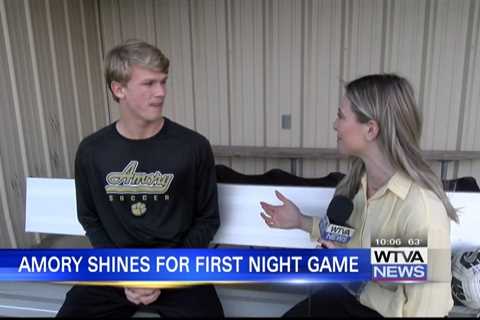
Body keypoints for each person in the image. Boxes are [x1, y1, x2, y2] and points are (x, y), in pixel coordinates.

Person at [260, 74, 457, 317]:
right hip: (351, 298)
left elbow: (424, 313)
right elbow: (351, 242)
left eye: (341, 116)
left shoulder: (421, 210)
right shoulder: (359, 187)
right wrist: (300, 222)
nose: (335, 125)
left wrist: (355, 280)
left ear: (371, 130)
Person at [57, 39, 224, 317]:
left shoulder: (192, 147)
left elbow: (207, 219)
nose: (161, 92)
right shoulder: (92, 151)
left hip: (177, 267)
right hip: (116, 270)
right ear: (118, 88)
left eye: (163, 82)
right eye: (149, 84)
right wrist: (122, 273)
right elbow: (89, 217)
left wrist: (165, 273)